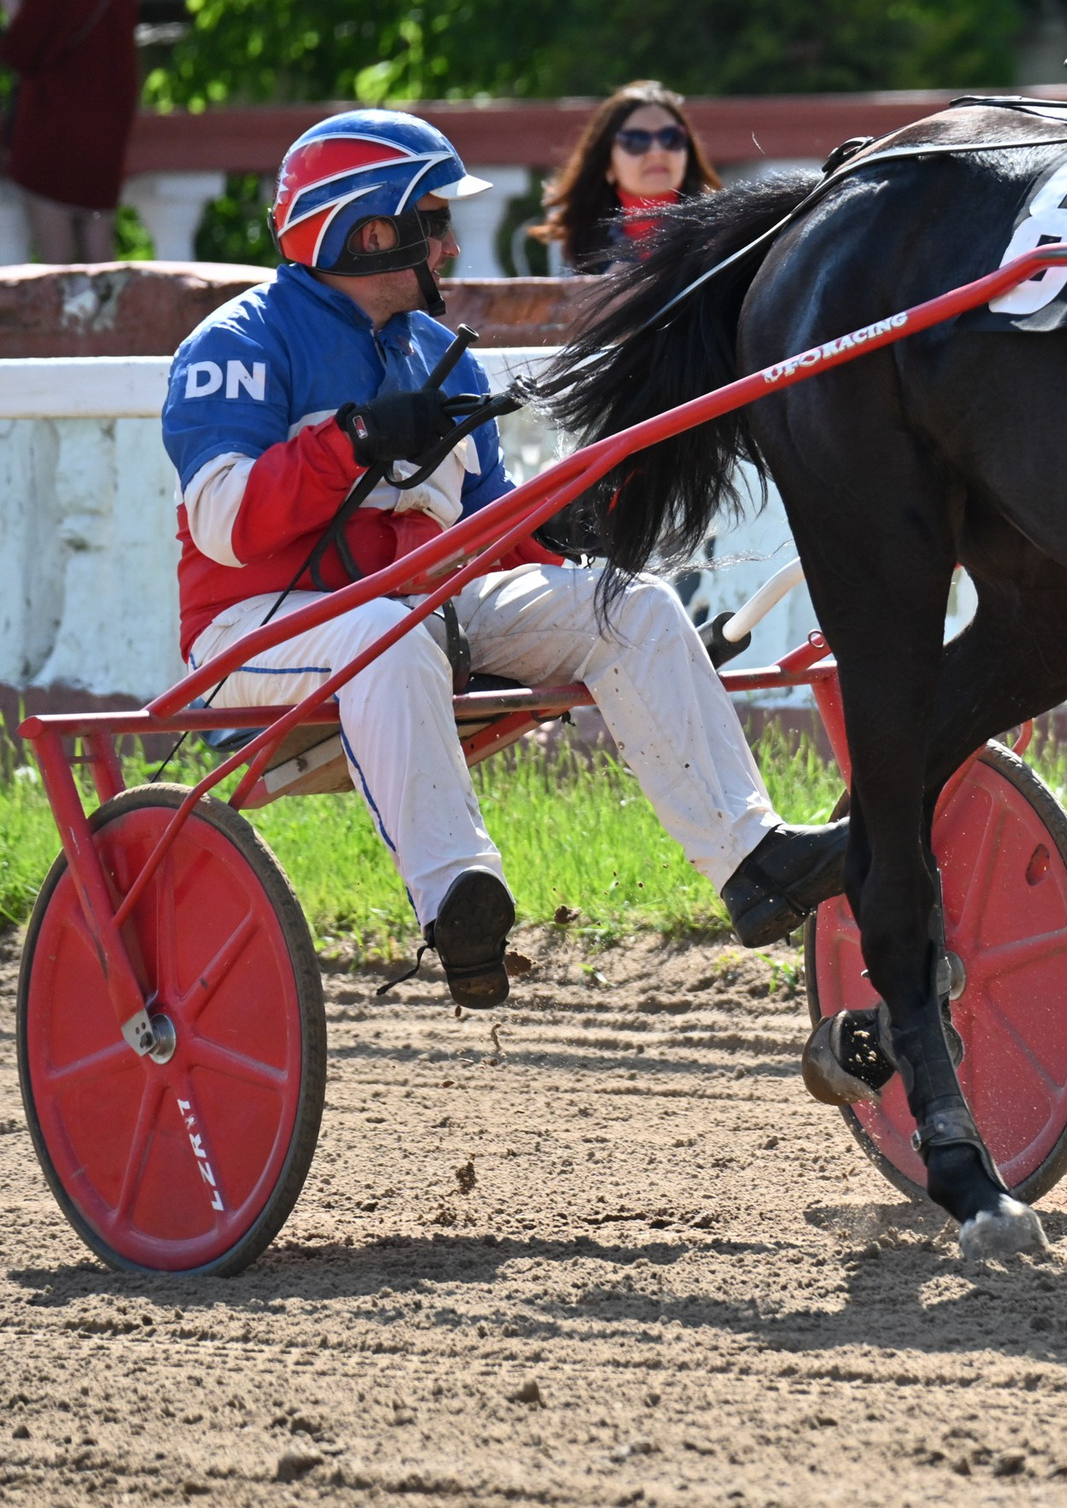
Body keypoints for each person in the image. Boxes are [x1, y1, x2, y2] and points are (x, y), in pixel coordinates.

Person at [161, 109, 843, 1010]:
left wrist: (558, 531)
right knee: (386, 633)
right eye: (431, 221)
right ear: (370, 231)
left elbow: (482, 531)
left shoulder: (443, 355)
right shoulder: (238, 341)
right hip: (252, 636)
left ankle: (752, 860)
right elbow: (223, 523)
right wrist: (352, 440)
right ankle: (457, 900)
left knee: (623, 603)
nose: (447, 245)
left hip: (415, 613)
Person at [0, 0, 139, 264]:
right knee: (100, 265)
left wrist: (17, 13)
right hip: (104, 149)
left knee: (57, 272)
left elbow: (17, 53)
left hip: (51, 148)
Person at [530, 81, 720, 273]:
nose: (657, 151)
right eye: (636, 140)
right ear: (607, 164)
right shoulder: (582, 240)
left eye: (670, 137)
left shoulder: (718, 231)